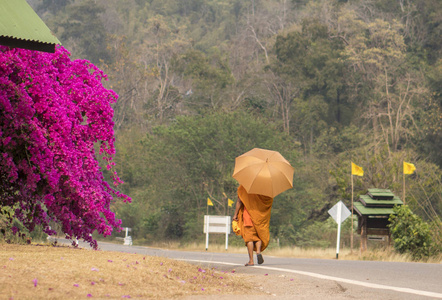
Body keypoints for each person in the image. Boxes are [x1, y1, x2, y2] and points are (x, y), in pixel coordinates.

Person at [232, 185, 274, 266]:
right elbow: (268, 201)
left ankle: (251, 260)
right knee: (258, 236)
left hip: (248, 215)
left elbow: (239, 201)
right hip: (259, 217)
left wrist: (235, 214)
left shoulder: (244, 187)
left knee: (249, 238)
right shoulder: (265, 188)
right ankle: (258, 251)